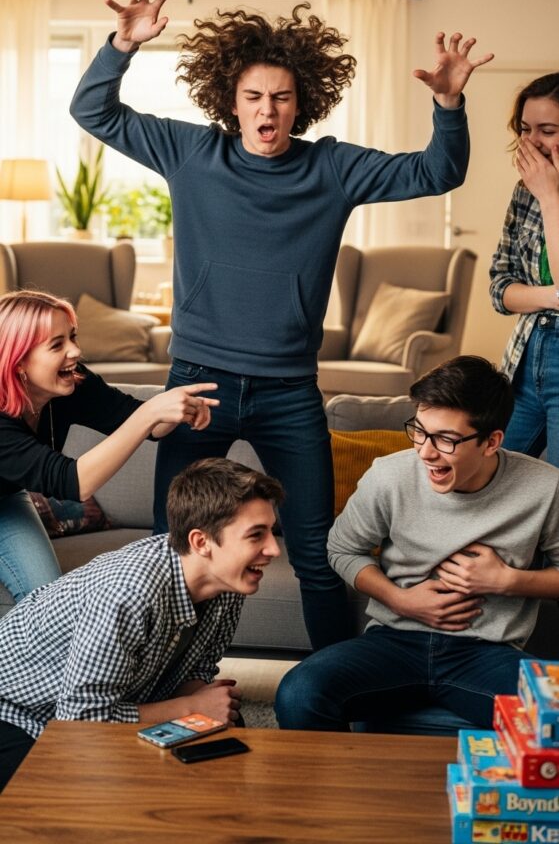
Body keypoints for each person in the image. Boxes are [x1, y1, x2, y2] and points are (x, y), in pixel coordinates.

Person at [69, 0, 494, 650]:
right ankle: (165, 679)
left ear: (302, 103)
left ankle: (330, 694)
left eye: (281, 97)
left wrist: (447, 103)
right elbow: (93, 111)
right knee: (169, 549)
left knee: (320, 553)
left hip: (288, 393)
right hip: (197, 383)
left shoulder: (332, 168)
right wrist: (123, 45)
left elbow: (436, 173)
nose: (267, 110)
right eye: (253, 97)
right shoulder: (191, 153)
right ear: (230, 102)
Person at [274, 355, 559, 732]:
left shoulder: (544, 486)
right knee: (298, 693)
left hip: (488, 653)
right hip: (394, 642)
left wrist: (506, 581)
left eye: (445, 439)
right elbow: (341, 549)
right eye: (420, 431)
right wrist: (400, 599)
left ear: (492, 442)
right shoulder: (390, 476)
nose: (425, 451)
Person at [0, 456, 283, 791]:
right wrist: (190, 707)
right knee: (73, 803)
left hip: (108, 701)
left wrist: (203, 705)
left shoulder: (227, 583)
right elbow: (80, 720)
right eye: (256, 535)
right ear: (201, 542)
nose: (274, 549)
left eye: (272, 532)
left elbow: (201, 666)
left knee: (226, 749)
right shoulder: (129, 592)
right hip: (19, 712)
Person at [0, 288, 219, 601]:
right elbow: (76, 482)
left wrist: (178, 407)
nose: (75, 351)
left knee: (48, 602)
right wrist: (150, 413)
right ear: (19, 361)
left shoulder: (71, 381)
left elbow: (139, 420)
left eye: (72, 337)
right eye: (57, 344)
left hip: (6, 501)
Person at [490, 73, 559, 466]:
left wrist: (552, 196)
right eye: (525, 129)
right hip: (526, 353)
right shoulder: (523, 190)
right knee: (494, 476)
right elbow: (500, 288)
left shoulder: (541, 191)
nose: (531, 142)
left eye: (546, 130)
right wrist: (552, 297)